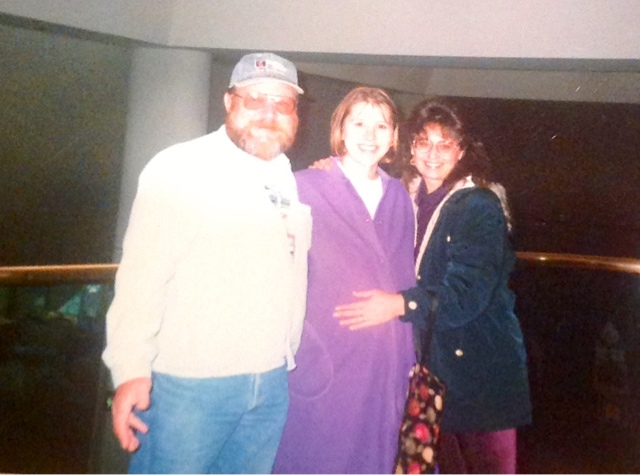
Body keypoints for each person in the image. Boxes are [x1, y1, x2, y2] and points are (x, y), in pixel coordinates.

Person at [101, 52, 312, 474]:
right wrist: (130, 370)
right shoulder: (180, 168)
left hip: (269, 384)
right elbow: (141, 279)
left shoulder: (286, 178)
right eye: (255, 99)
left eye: (282, 103)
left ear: (295, 114)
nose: (269, 114)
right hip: (189, 387)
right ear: (229, 101)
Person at [334, 98, 532, 474]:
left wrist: (398, 305)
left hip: (479, 377)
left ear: (462, 150)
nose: (434, 153)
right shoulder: (406, 199)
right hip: (430, 373)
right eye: (424, 142)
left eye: (446, 143)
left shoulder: (478, 205)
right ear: (410, 148)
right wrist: (331, 167)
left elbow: (466, 295)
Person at [273, 87, 417, 473]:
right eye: (359, 123)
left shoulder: (398, 196)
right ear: (340, 129)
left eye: (381, 126)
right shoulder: (304, 186)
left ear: (393, 136)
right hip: (328, 356)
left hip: (386, 361)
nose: (370, 135)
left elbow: (404, 276)